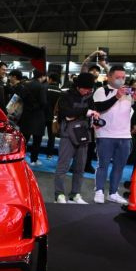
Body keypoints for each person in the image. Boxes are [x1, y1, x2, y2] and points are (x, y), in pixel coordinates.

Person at [92, 65, 136, 204]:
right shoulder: (101, 90)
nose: (121, 80)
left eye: (123, 77)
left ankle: (113, 192)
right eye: (118, 77)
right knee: (103, 165)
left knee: (119, 166)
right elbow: (99, 107)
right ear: (109, 77)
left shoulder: (128, 92)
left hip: (125, 136)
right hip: (105, 134)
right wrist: (117, 96)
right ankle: (99, 190)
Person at [54, 73, 100, 204]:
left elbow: (91, 112)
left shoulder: (89, 97)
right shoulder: (66, 95)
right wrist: (85, 112)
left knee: (80, 167)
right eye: (84, 88)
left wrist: (92, 117)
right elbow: (66, 113)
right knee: (63, 166)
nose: (86, 91)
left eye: (89, 89)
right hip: (67, 134)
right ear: (78, 86)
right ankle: (59, 194)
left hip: (83, 134)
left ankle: (75, 194)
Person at [19, 69, 48, 166]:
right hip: (38, 116)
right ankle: (33, 160)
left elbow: (21, 98)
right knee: (37, 140)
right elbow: (43, 102)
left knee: (24, 139)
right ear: (42, 76)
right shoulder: (41, 86)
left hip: (26, 114)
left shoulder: (25, 85)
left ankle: (19, 158)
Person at [45, 72, 62, 158]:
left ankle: (35, 154)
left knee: (38, 135)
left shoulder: (45, 88)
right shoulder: (60, 91)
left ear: (50, 79)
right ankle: (49, 154)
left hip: (44, 115)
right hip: (54, 117)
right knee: (52, 136)